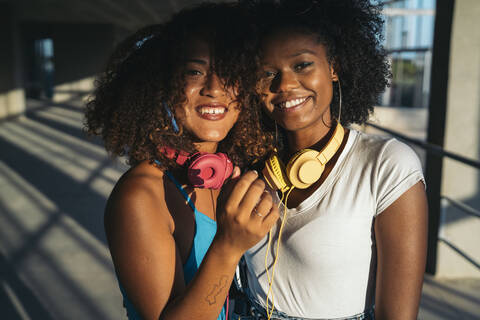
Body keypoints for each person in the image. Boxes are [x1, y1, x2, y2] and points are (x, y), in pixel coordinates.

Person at [234, 1, 428, 319]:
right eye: (268, 73)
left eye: (302, 65)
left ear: (334, 67)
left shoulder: (386, 165)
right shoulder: (251, 166)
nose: (283, 85)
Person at [84, 3, 279, 320]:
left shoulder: (230, 176)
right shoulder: (140, 197)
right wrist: (228, 247)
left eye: (230, 73)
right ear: (164, 86)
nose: (215, 88)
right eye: (195, 72)